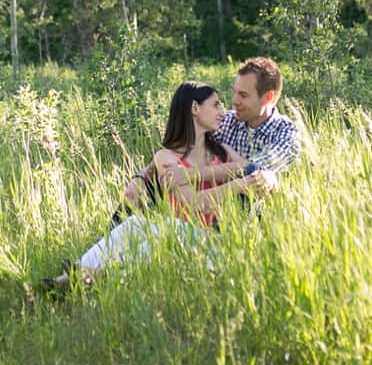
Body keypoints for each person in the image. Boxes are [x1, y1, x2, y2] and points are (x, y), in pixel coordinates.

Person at [50, 81, 265, 287]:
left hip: (212, 244)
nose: (222, 110)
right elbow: (192, 203)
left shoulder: (223, 151)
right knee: (136, 224)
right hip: (182, 241)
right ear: (194, 108)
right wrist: (240, 180)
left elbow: (249, 167)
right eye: (216, 104)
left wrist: (191, 175)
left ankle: (91, 275)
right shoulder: (165, 157)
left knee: (165, 227)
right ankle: (70, 277)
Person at [116, 56, 301, 217]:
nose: (234, 101)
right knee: (145, 186)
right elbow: (180, 149)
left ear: (268, 97)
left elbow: (252, 171)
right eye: (235, 92)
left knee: (248, 188)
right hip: (210, 202)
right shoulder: (227, 120)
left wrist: (187, 175)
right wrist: (141, 178)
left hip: (253, 207)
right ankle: (106, 244)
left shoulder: (285, 133)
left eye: (243, 95)